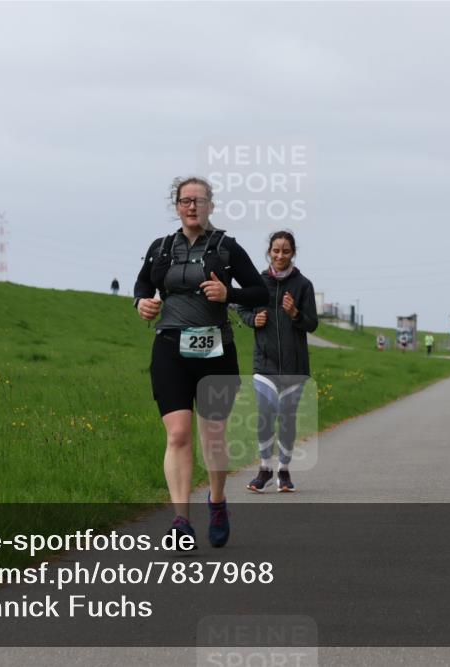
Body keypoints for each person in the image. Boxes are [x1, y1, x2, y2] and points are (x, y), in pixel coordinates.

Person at [134, 176, 268, 548]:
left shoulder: (227, 247)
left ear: (210, 205)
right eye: (185, 200)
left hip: (216, 352)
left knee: (213, 437)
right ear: (176, 205)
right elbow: (143, 285)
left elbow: (259, 291)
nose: (192, 206)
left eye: (199, 200)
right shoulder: (160, 248)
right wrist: (142, 303)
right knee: (177, 434)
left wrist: (229, 293)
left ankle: (218, 501)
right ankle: (180, 521)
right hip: (170, 348)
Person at [236, 231, 318, 493]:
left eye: (285, 251)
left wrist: (295, 313)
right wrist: (253, 320)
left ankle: (283, 470)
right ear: (269, 252)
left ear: (293, 253)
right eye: (276, 250)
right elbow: (242, 309)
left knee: (287, 419)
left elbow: (312, 324)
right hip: (265, 364)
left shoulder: (303, 285)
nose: (280, 255)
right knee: (265, 417)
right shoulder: (258, 283)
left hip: (295, 366)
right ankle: (264, 469)